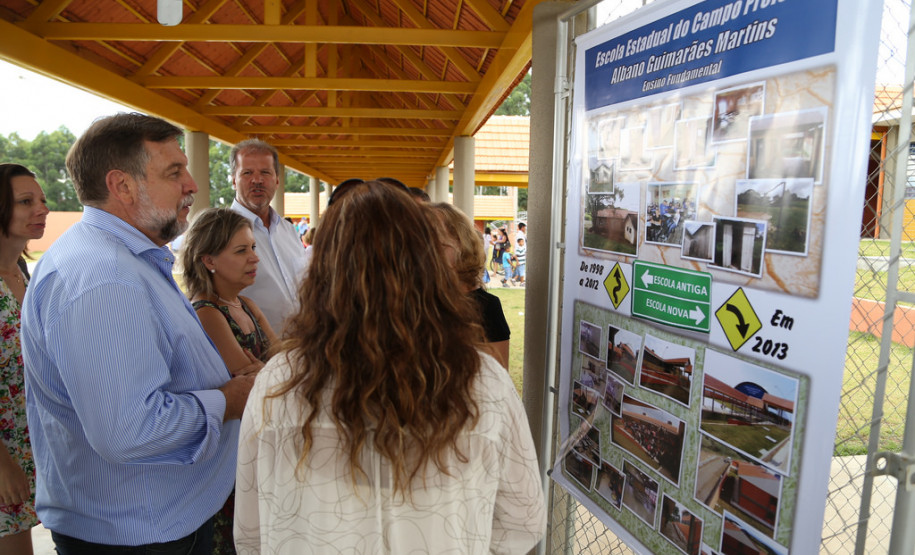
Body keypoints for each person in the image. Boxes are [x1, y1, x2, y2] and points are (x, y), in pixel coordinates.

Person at [234, 181, 545, 553]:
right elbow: (522, 521)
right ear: (426, 264)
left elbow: (251, 533)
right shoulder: (482, 380)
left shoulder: (278, 382)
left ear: (324, 267)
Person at [20, 113, 257, 554]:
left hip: (154, 521)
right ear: (122, 186)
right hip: (139, 532)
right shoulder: (104, 277)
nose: (192, 185)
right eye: (174, 172)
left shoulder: (122, 258)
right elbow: (129, 430)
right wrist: (230, 400)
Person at [181, 207, 278, 554]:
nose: (254, 258)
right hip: (229, 456)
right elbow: (249, 375)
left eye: (253, 247)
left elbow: (277, 362)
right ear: (208, 259)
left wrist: (269, 365)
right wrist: (271, 365)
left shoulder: (246, 304)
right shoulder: (207, 312)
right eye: (241, 251)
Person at [0, 164, 48, 555]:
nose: (42, 209)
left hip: (26, 439)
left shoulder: (21, 270)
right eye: (26, 201)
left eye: (43, 200)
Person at [229, 139, 306, 334]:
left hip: (302, 346)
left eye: (265, 172)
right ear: (233, 180)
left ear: (277, 180)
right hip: (254, 354)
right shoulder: (222, 232)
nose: (257, 180)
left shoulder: (288, 231)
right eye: (247, 173)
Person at [429, 203, 510, 369]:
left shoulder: (487, 307)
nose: (428, 254)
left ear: (461, 243)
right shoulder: (416, 301)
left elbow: (497, 378)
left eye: (438, 245)